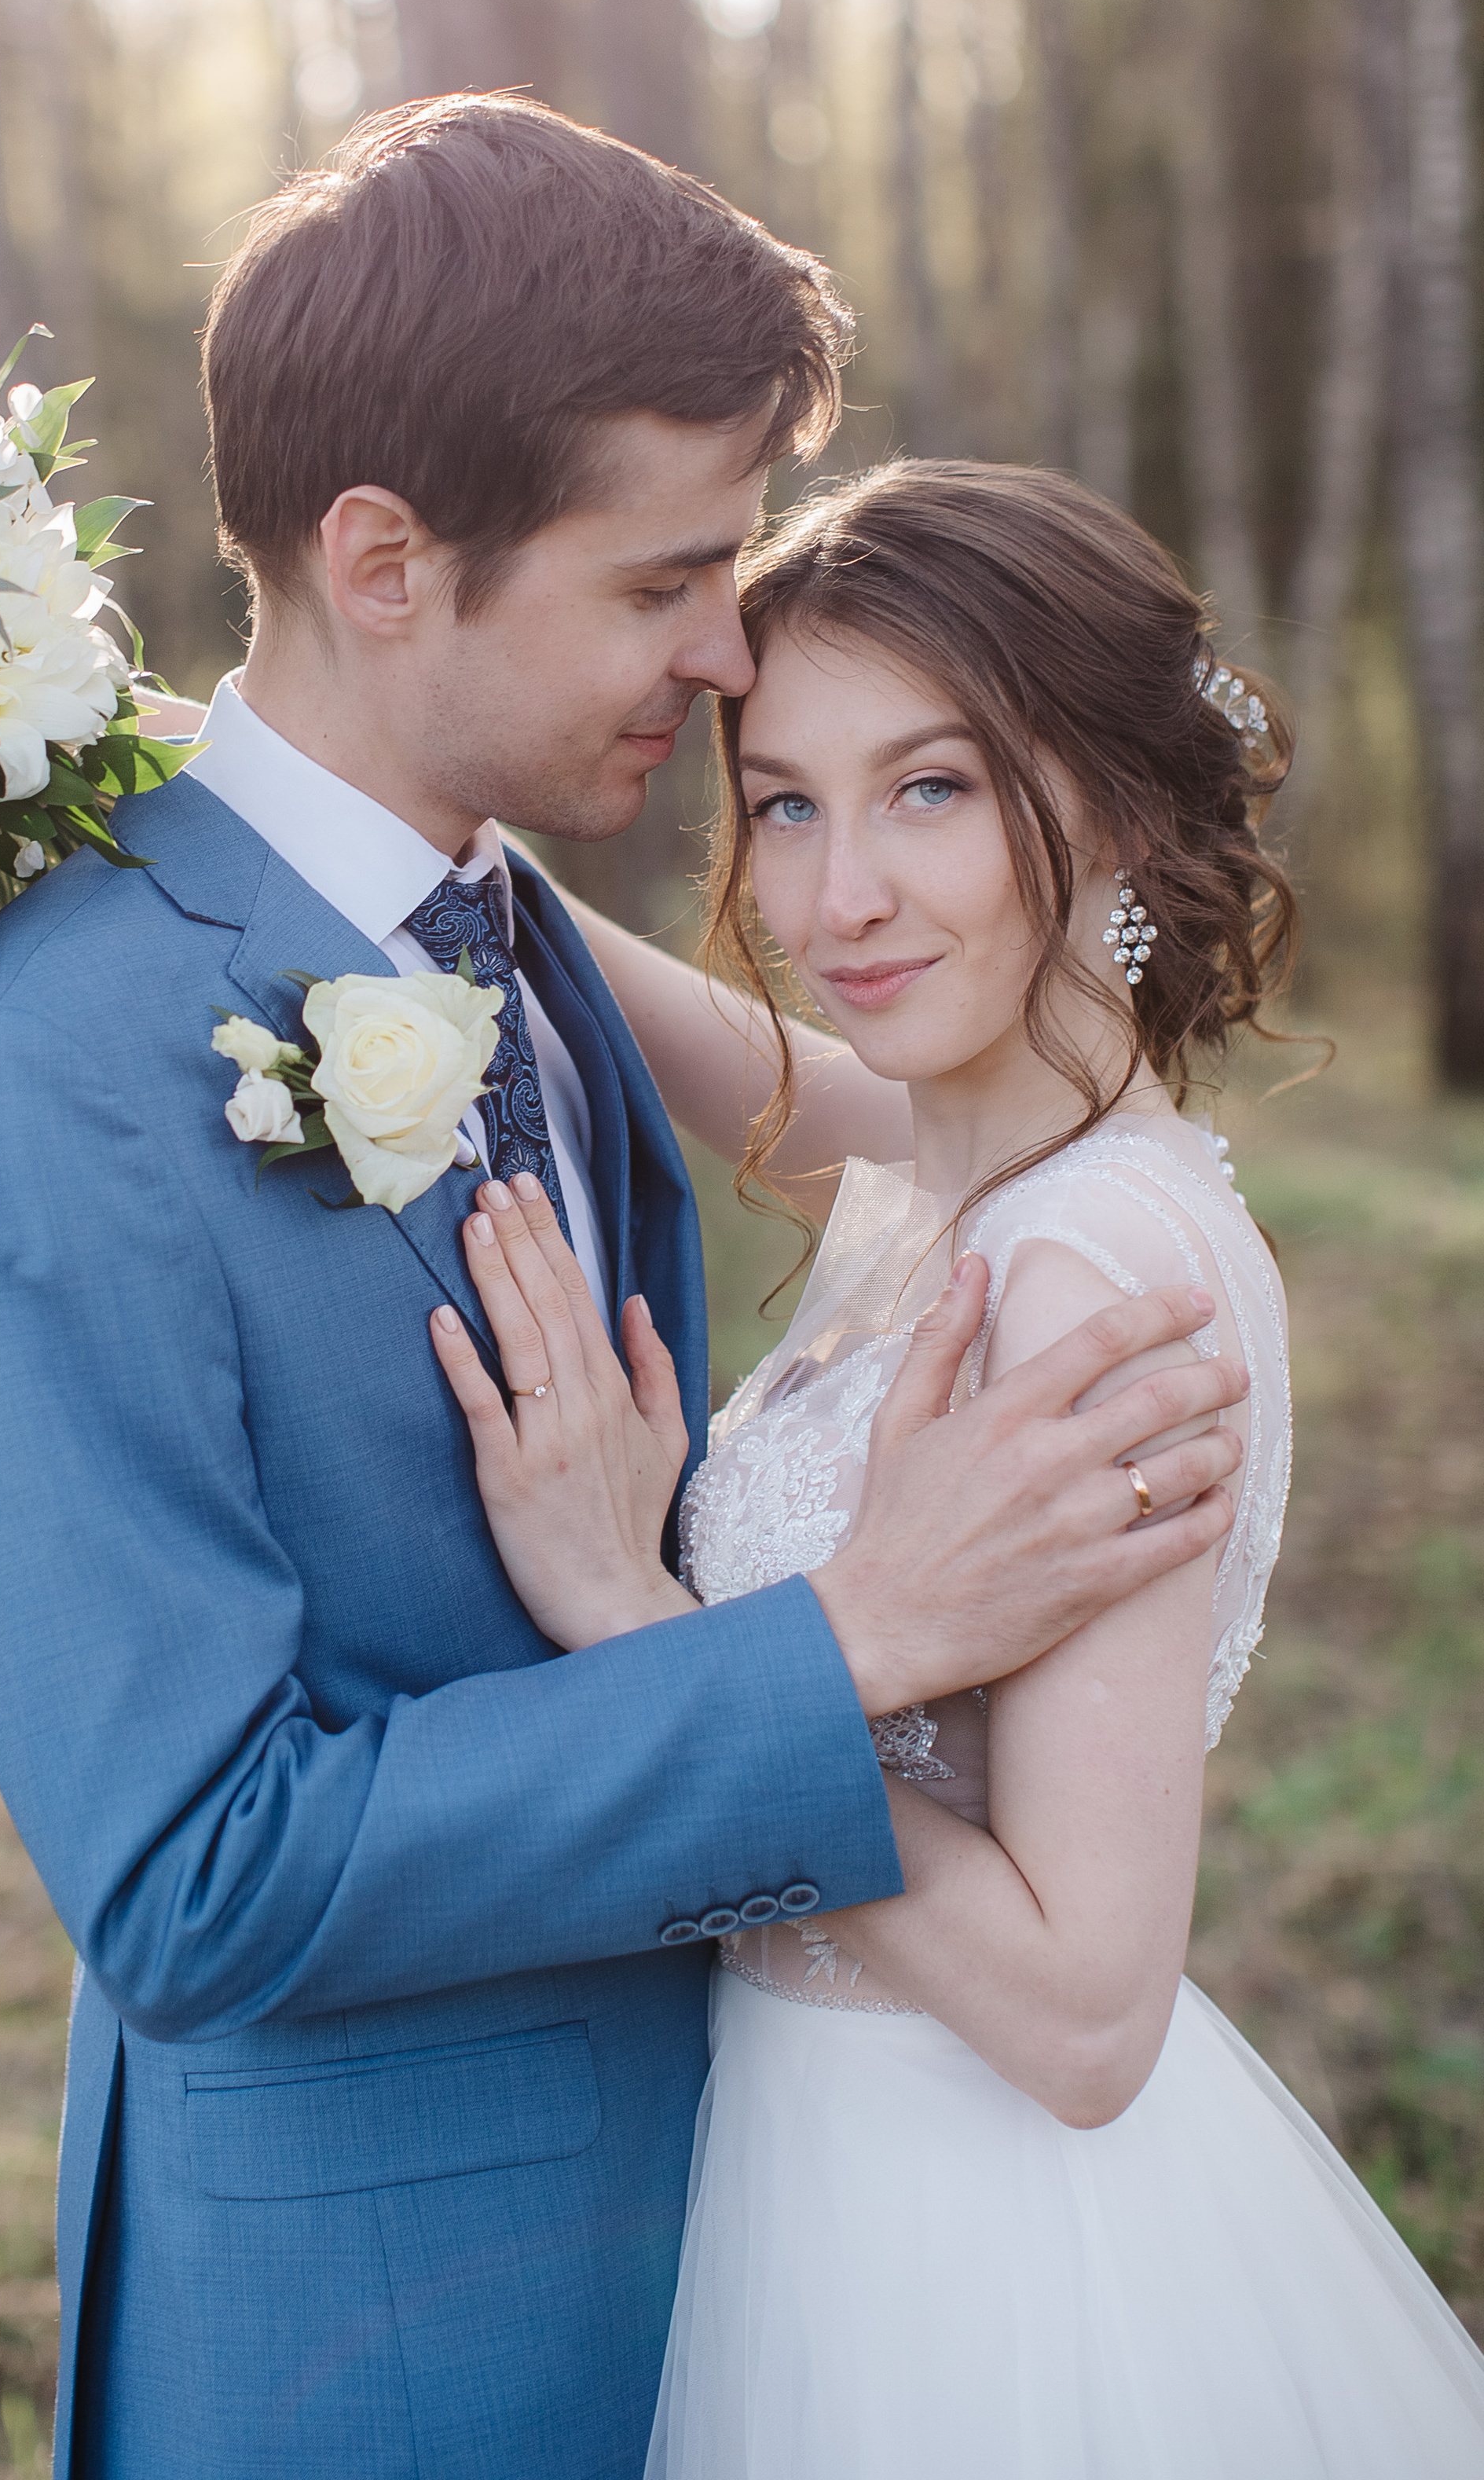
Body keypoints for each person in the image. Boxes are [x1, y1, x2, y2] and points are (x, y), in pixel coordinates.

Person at [0, 101, 1245, 2480]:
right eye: (663, 581)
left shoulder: (510, 926)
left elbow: (969, 1106)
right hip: (392, 2353)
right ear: (385, 561)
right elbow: (193, 1884)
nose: (727, 652)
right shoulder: (44, 1070)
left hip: (777, 2261)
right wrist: (833, 1648)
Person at [435, 457, 1484, 2478]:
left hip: (962, 2241)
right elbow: (721, 1048)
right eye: (783, 803)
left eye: (926, 790)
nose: (835, 901)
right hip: (803, 2152)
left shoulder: (1087, 1272)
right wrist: (374, 807)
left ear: (1106, 804)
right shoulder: (977, 1162)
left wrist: (648, 1633)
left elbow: (1087, 2015)